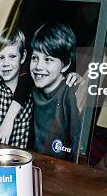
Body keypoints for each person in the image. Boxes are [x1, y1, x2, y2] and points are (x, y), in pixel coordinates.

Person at [30, 22, 81, 161]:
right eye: (35, 58)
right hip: (38, 163)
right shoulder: (33, 86)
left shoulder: (69, 93)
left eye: (48, 59)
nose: (38, 66)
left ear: (65, 65)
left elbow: (77, 144)